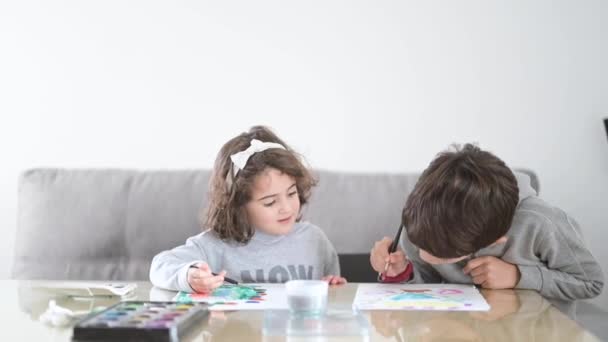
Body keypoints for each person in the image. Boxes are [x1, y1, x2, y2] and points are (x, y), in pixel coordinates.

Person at [370, 143, 603, 304]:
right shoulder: (425, 218)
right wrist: (402, 271)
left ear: (495, 240)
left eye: (441, 252)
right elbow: (427, 282)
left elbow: (590, 283)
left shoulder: (543, 223)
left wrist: (518, 276)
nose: (422, 252)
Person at [150, 126, 346, 292]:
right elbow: (160, 266)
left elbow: (334, 293)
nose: (286, 208)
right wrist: (189, 276)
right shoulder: (215, 246)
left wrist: (333, 286)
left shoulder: (314, 240)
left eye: (291, 193)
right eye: (270, 202)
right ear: (237, 205)